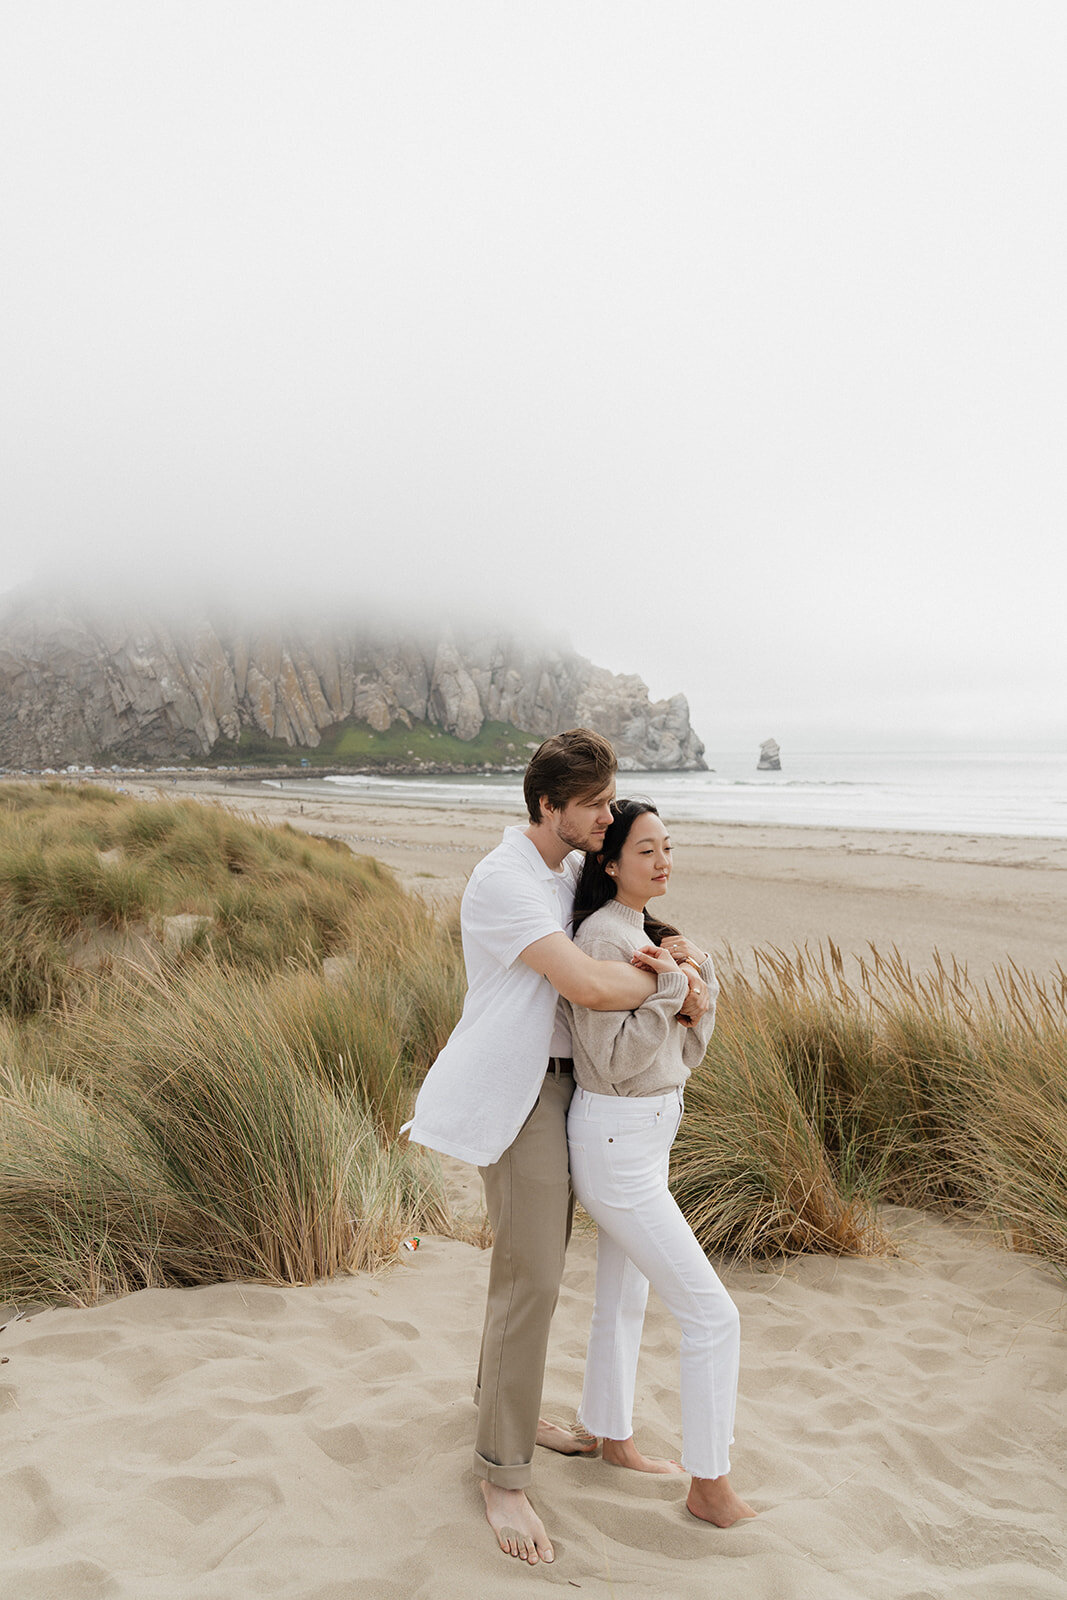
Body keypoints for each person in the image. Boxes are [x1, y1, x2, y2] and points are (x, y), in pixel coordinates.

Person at [405, 733, 711, 1565]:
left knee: (533, 1263)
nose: (607, 819)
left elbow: (626, 919)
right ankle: (502, 1473)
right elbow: (584, 983)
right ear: (549, 807)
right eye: (595, 806)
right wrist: (671, 982)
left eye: (612, 804)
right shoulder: (503, 880)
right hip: (518, 1092)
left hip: (571, 1089)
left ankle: (495, 1401)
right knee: (533, 1272)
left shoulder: (571, 867)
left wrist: (672, 941)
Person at [564, 799, 756, 1527]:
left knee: (626, 1297)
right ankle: (709, 1487)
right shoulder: (604, 940)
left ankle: (611, 1437)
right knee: (713, 1315)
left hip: (643, 1135)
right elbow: (613, 1062)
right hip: (616, 1138)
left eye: (666, 847)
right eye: (646, 850)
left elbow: (683, 1051)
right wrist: (673, 989)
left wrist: (691, 987)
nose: (663, 860)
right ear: (609, 862)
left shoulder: (646, 933)